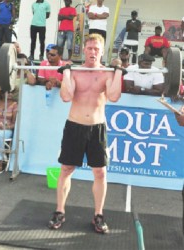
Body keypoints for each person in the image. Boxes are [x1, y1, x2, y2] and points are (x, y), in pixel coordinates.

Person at [48, 34, 122, 233]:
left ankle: (98, 215)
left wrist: (118, 72)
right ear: (84, 50)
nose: (92, 52)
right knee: (66, 170)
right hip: (74, 126)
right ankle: (59, 211)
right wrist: (65, 73)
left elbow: (114, 96)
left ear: (101, 51)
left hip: (97, 128)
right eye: (89, 48)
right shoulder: (75, 72)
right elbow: (65, 97)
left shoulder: (107, 73)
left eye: (96, 49)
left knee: (100, 172)